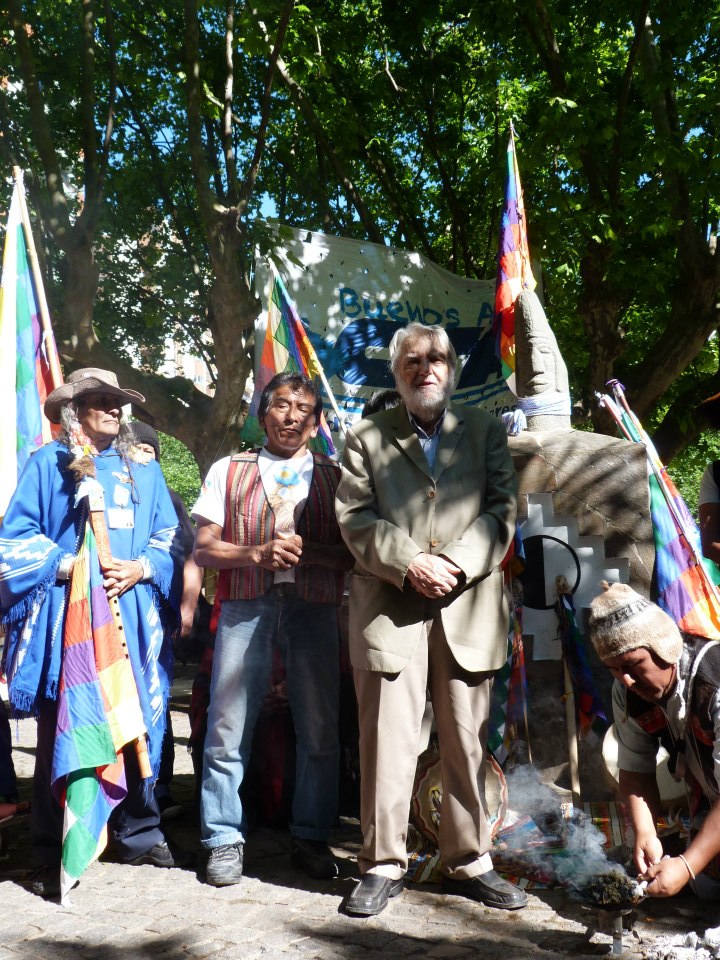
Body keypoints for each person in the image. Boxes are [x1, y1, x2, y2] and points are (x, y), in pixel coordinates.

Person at [335, 321, 526, 917]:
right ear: (396, 373)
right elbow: (354, 517)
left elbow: (502, 509)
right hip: (390, 609)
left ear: (452, 369)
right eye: (412, 361)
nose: (425, 369)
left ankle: (468, 859)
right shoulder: (365, 437)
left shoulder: (485, 431)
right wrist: (411, 562)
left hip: (468, 609)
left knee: (467, 743)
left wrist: (454, 563)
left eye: (436, 358)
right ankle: (382, 864)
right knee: (386, 744)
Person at [0, 368, 188, 897]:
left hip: (133, 611)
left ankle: (138, 832)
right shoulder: (48, 463)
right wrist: (69, 566)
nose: (112, 409)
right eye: (100, 401)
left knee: (138, 718)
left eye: (116, 401)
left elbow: (171, 536)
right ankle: (51, 843)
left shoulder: (142, 469)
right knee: (66, 718)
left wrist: (142, 568)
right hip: (72, 614)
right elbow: (14, 539)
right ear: (74, 411)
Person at [192, 372, 352, 886]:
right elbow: (203, 549)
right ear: (262, 415)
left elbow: (356, 552)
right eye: (281, 405)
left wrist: (313, 553)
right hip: (245, 606)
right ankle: (222, 838)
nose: (292, 416)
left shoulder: (337, 476)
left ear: (317, 423)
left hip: (314, 610)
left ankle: (311, 837)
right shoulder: (229, 470)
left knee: (321, 729)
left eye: (304, 409)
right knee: (227, 726)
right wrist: (256, 553)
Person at [588, 580, 720, 900]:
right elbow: (635, 768)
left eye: (634, 665)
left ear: (664, 647)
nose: (627, 680)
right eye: (614, 669)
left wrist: (687, 864)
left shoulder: (715, 683)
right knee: (705, 887)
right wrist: (646, 832)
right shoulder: (628, 692)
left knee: (694, 872)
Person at [130, 421, 205, 821]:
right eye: (135, 451)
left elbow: (193, 556)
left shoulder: (170, 500)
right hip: (119, 616)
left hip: (160, 615)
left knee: (156, 694)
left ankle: (160, 787)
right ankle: (126, 791)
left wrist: (188, 607)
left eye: (150, 451)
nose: (144, 458)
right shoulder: (109, 495)